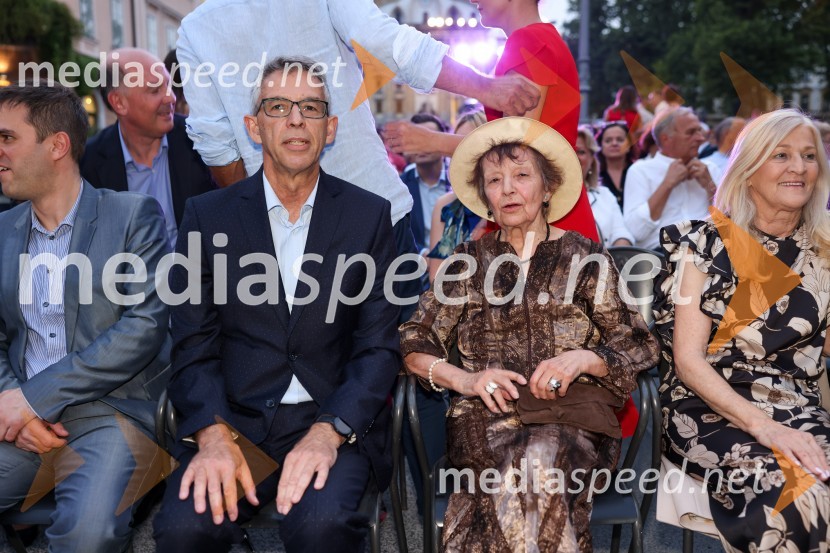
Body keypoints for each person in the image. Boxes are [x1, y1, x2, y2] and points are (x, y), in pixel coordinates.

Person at [152, 57, 401, 553]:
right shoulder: (207, 217)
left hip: (331, 421)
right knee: (183, 530)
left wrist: (330, 431)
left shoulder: (368, 217)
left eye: (310, 107)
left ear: (329, 128)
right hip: (236, 423)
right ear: (254, 125)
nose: (294, 120)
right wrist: (213, 435)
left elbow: (378, 348)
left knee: (321, 527)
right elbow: (192, 346)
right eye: (277, 106)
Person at [400, 117, 659, 552]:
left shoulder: (586, 257)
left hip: (572, 417)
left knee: (536, 465)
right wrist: (466, 380)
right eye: (495, 180)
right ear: (484, 197)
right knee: (523, 469)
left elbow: (638, 342)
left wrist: (584, 360)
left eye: (521, 176)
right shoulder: (466, 263)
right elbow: (414, 340)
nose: (508, 189)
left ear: (546, 187)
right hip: (484, 418)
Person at [0, 83, 171, 551]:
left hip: (116, 414)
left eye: (7, 138)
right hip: (21, 423)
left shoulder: (133, 215)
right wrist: (12, 401)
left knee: (86, 535)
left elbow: (143, 327)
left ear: (57, 145)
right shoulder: (2, 231)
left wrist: (34, 398)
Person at [654, 108, 830, 551]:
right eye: (782, 155)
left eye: (809, 156)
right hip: (708, 408)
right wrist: (766, 429)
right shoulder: (704, 243)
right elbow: (688, 360)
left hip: (796, 405)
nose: (799, 167)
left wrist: (785, 425)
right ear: (749, 170)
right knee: (798, 503)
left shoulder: (824, 249)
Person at [382, 0, 599, 242]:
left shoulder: (530, 40)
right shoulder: (541, 39)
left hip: (542, 222)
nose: (473, 0)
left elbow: (515, 151)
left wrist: (433, 142)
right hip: (542, 213)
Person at [80, 48, 216, 251]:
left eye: (168, 86)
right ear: (119, 102)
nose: (170, 98)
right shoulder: (87, 163)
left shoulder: (200, 140)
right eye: (154, 90)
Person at [623, 107, 721, 250]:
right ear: (665, 138)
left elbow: (730, 224)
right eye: (691, 132)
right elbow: (636, 232)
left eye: (700, 131)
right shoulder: (640, 171)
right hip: (659, 258)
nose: (700, 138)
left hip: (709, 254)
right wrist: (667, 185)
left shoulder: (710, 169)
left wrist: (711, 186)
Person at [427, 109, 487, 282]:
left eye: (472, 146)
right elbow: (436, 279)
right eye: (457, 147)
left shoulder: (512, 201)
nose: (464, 155)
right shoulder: (446, 206)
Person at [400, 113, 452, 254]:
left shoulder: (460, 181)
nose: (421, 146)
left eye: (427, 139)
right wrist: (422, 254)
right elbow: (398, 236)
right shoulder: (399, 187)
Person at [577, 126, 633, 247]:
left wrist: (621, 247)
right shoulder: (547, 194)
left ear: (592, 159)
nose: (574, 156)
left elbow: (620, 233)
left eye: (581, 152)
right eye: (569, 150)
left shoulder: (605, 194)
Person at [596, 121, 636, 209]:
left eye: (620, 140)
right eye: (608, 140)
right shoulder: (594, 175)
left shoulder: (639, 172)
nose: (614, 143)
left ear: (629, 145)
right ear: (600, 146)